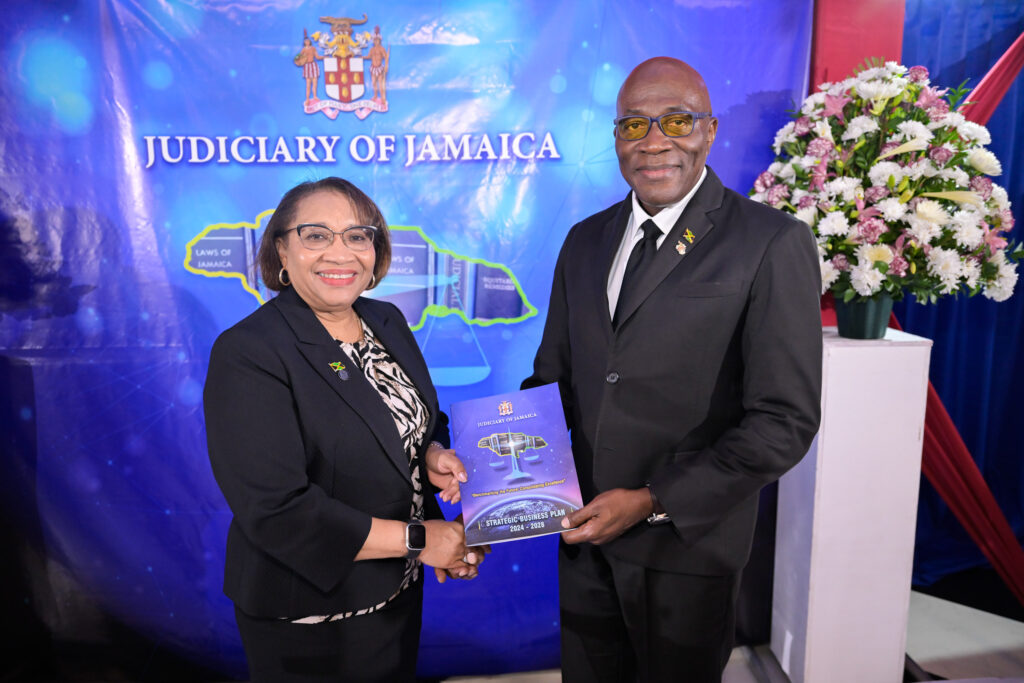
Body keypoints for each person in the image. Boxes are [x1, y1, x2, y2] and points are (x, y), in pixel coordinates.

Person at [523, 57, 822, 682]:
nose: (654, 141)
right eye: (634, 125)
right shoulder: (583, 240)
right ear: (615, 139)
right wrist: (503, 473)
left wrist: (653, 500)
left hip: (689, 547)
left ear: (710, 130)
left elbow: (784, 421)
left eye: (677, 121)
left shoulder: (771, 241)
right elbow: (552, 382)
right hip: (584, 541)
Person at [204, 177, 485, 682]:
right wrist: (423, 539)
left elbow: (416, 420)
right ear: (281, 252)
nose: (341, 252)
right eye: (316, 235)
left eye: (358, 236)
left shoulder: (386, 320)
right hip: (312, 617)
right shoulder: (249, 352)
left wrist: (432, 454)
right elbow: (277, 512)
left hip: (396, 592)